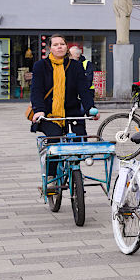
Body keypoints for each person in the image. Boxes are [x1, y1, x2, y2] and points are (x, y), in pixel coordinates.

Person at [30, 34, 99, 187]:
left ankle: (75, 170)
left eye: (62, 44)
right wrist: (39, 110)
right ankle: (51, 175)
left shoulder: (75, 66)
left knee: (80, 140)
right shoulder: (41, 66)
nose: (59, 47)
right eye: (55, 44)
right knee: (54, 140)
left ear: (66, 47)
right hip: (49, 113)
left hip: (72, 111)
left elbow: (84, 90)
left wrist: (90, 108)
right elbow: (36, 91)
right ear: (50, 48)